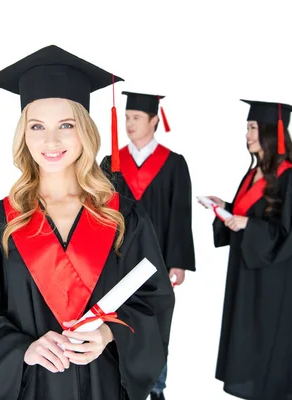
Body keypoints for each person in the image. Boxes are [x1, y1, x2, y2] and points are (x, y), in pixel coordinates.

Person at [0, 45, 175, 400]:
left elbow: (153, 302)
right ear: (23, 134)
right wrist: (22, 349)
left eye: (65, 125)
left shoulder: (122, 217)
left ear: (84, 131)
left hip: (105, 385)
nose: (50, 140)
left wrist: (109, 334)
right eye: (37, 126)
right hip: (33, 386)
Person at [200, 99, 292, 400]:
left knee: (268, 348)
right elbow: (251, 216)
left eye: (252, 128)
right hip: (247, 275)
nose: (247, 135)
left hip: (272, 283)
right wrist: (225, 208)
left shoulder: (290, 180)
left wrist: (248, 224)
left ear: (270, 132)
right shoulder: (253, 174)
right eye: (247, 128)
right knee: (248, 345)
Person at [100, 91, 195, 400]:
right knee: (119, 322)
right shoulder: (111, 164)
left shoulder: (173, 164)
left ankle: (155, 387)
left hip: (159, 262)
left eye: (136, 118)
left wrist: (178, 262)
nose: (129, 124)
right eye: (127, 118)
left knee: (155, 322)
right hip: (118, 261)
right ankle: (119, 384)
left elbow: (181, 216)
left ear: (155, 120)